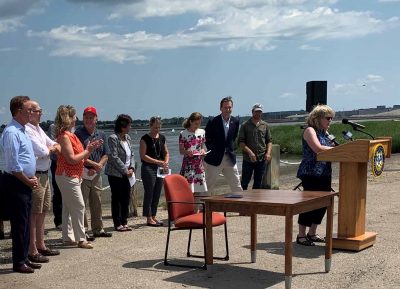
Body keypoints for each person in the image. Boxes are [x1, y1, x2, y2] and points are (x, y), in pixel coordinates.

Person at [0, 96, 41, 273]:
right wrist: (27, 179)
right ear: (18, 111)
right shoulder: (11, 132)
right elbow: (13, 165)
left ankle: (24, 257)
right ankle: (18, 262)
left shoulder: (22, 130)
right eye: (28, 110)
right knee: (19, 224)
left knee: (24, 222)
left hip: (24, 182)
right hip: (16, 183)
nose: (31, 113)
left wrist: (32, 178)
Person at [54, 105, 103, 249]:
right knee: (79, 206)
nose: (76, 118)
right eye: (74, 116)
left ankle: (68, 237)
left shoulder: (71, 134)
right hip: (67, 175)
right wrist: (88, 150)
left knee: (69, 208)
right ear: (69, 118)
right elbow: (72, 159)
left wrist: (90, 149)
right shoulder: (64, 136)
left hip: (73, 175)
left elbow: (79, 157)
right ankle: (81, 239)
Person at [25, 101, 61, 263]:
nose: (40, 114)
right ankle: (32, 248)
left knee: (44, 209)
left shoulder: (38, 128)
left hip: (45, 174)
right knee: (34, 212)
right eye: (38, 111)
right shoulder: (27, 129)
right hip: (36, 175)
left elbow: (54, 144)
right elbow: (42, 150)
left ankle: (41, 244)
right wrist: (50, 150)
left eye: (40, 111)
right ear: (30, 112)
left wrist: (50, 149)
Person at [296, 104, 335, 246]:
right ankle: (301, 235)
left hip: (325, 172)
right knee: (309, 204)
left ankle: (312, 233)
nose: (330, 121)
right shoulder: (309, 130)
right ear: (318, 118)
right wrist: (335, 149)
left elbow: (332, 150)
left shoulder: (325, 133)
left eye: (331, 118)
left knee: (323, 204)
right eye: (328, 118)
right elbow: (318, 149)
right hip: (311, 173)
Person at [75, 106, 112, 238]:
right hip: (82, 172)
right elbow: (79, 154)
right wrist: (94, 165)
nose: (88, 119)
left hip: (96, 174)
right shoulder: (78, 134)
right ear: (83, 119)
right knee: (82, 203)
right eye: (86, 117)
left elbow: (106, 153)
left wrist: (99, 166)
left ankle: (98, 229)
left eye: (91, 117)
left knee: (97, 201)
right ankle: (83, 230)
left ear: (96, 119)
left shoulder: (101, 134)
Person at [204, 96, 242, 194]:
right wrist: (213, 150)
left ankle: (241, 207)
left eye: (229, 107)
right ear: (220, 108)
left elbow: (234, 137)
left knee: (236, 184)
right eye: (225, 107)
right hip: (214, 158)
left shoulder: (235, 121)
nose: (227, 110)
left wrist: (229, 148)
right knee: (208, 185)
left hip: (229, 158)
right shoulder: (213, 121)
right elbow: (207, 138)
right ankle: (202, 208)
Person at [104, 114, 135, 232]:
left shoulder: (128, 138)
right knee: (116, 199)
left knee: (126, 198)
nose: (130, 127)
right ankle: (117, 223)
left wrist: (131, 167)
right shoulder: (113, 138)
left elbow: (131, 154)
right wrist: (125, 170)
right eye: (129, 125)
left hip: (128, 173)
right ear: (123, 126)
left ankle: (124, 221)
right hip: (115, 174)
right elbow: (113, 157)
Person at [140, 116, 169, 226]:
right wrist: (157, 161)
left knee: (157, 192)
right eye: (155, 127)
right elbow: (143, 156)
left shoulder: (162, 137)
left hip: (161, 167)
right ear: (150, 126)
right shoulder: (144, 138)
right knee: (150, 192)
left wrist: (165, 161)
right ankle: (148, 217)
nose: (157, 129)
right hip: (149, 168)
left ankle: (153, 215)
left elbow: (166, 152)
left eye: (159, 127)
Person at [238, 103, 272, 190]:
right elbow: (241, 142)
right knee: (245, 182)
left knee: (258, 182)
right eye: (256, 111)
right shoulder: (245, 125)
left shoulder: (265, 125)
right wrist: (250, 153)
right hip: (248, 159)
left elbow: (269, 141)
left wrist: (268, 153)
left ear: (262, 113)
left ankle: (255, 200)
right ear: (252, 112)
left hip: (261, 158)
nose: (258, 113)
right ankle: (242, 200)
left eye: (260, 112)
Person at [179, 112, 208, 211]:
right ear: (190, 121)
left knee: (198, 189)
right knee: (188, 189)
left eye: (199, 123)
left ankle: (196, 211)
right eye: (196, 123)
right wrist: (187, 152)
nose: (197, 126)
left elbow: (203, 146)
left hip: (199, 164)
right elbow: (181, 151)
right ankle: (187, 211)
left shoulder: (202, 132)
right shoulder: (183, 134)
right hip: (188, 165)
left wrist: (203, 151)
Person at [47, 123, 62, 229]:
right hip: (56, 163)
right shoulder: (53, 127)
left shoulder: (73, 127)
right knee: (57, 191)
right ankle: (59, 221)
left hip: (70, 163)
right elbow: (53, 145)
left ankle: (67, 219)